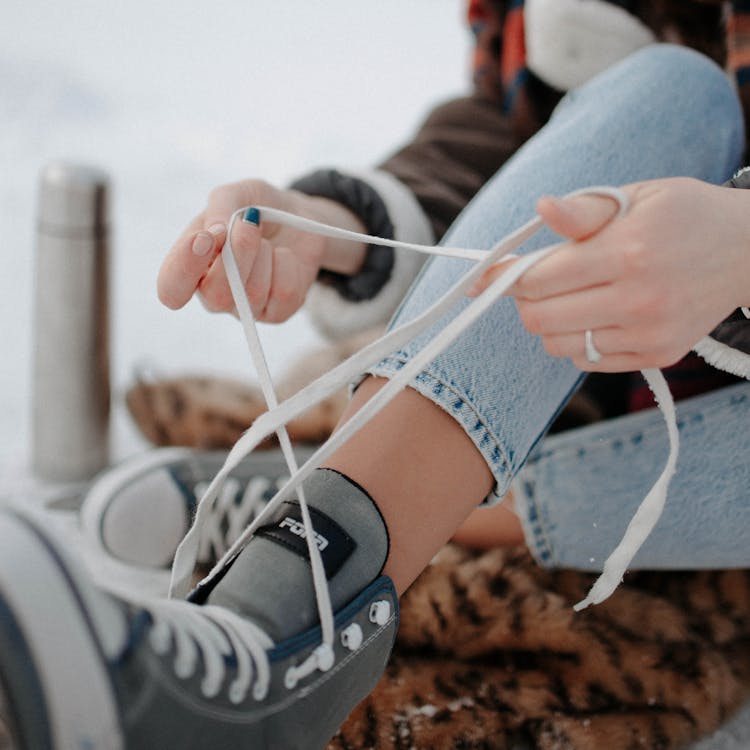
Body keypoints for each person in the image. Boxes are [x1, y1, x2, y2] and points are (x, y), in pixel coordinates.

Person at [2, 2, 750, 748]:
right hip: (589, 361)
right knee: (674, 88)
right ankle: (281, 620)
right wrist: (331, 223)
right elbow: (515, 132)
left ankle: (373, 510)